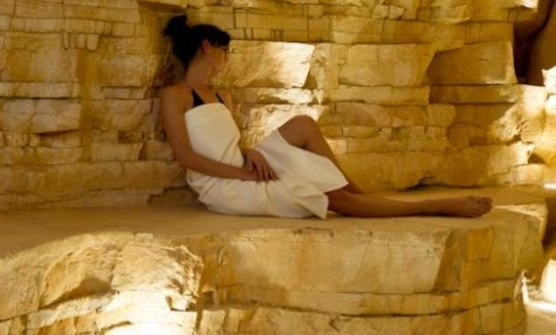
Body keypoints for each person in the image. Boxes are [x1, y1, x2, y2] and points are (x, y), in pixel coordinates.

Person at [159, 15, 492, 218]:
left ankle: (360, 196)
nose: (228, 58)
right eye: (225, 51)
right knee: (329, 198)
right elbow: (185, 157)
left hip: (243, 166)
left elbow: (229, 143)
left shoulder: (223, 95)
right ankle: (431, 206)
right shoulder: (176, 95)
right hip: (224, 187)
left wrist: (249, 152)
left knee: (303, 124)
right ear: (207, 47)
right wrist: (241, 174)